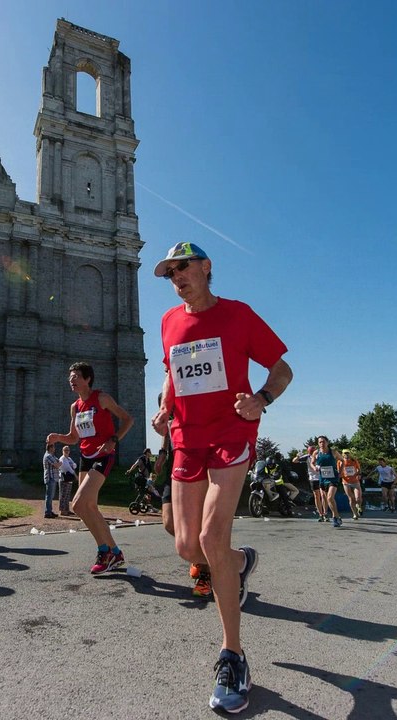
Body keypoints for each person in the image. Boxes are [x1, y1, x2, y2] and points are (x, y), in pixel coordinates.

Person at [150, 241, 293, 714]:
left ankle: (233, 656)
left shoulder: (238, 315)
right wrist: (165, 405)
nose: (176, 277)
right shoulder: (170, 321)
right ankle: (237, 561)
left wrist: (261, 400)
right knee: (187, 547)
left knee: (211, 536)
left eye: (182, 267)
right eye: (170, 272)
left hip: (233, 432)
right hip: (187, 438)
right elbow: (172, 371)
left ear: (207, 268)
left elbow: (281, 368)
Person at [45, 361, 135, 574]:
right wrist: (59, 437)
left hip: (103, 455)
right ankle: (114, 552)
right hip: (85, 457)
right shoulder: (75, 407)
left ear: (87, 379)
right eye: (70, 377)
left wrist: (114, 439)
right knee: (90, 507)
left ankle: (105, 551)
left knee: (77, 504)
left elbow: (128, 419)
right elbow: (74, 438)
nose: (72, 380)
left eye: (76, 376)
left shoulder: (102, 398)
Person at [155, 395, 212, 599]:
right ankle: (199, 557)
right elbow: (168, 430)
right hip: (174, 470)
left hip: (197, 469)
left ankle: (206, 574)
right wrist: (162, 453)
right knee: (169, 523)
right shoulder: (167, 403)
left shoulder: (194, 406)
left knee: (197, 525)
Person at [314, 437, 342, 526]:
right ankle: (337, 516)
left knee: (330, 497)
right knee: (328, 499)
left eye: (323, 442)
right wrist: (314, 467)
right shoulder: (317, 453)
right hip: (323, 479)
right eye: (320, 442)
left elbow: (342, 460)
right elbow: (312, 462)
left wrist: (340, 472)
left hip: (333, 478)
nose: (322, 443)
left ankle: (335, 517)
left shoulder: (333, 452)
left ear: (327, 442)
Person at [340, 449, 363, 519]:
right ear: (342, 454)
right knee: (351, 499)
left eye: (348, 453)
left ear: (350, 454)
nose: (346, 454)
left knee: (358, 498)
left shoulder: (354, 460)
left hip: (355, 481)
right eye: (345, 453)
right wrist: (340, 475)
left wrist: (358, 474)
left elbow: (359, 469)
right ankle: (355, 514)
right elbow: (339, 471)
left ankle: (359, 506)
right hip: (346, 482)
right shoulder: (340, 462)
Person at [42, 443, 62, 519]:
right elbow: (57, 464)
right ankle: (47, 512)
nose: (54, 448)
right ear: (50, 448)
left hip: (53, 477)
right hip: (50, 478)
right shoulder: (48, 456)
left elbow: (59, 461)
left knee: (51, 496)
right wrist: (58, 464)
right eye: (53, 447)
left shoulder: (52, 456)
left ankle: (49, 511)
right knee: (49, 496)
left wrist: (58, 463)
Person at [58, 446, 77, 516]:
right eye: (65, 450)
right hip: (63, 479)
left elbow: (75, 465)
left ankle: (67, 509)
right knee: (63, 495)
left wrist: (73, 465)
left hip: (69, 479)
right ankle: (62, 510)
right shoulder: (62, 459)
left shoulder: (69, 458)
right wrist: (75, 475)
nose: (66, 451)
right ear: (62, 451)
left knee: (67, 495)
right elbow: (68, 468)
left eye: (68, 450)